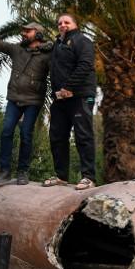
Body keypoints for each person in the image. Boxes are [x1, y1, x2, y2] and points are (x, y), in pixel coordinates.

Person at [0, 13, 53, 185]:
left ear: (38, 34)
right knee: (6, 131)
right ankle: (4, 171)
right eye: (23, 31)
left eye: (28, 31)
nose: (23, 34)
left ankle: (22, 172)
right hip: (14, 99)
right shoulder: (17, 50)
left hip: (33, 101)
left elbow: (59, 70)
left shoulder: (48, 54)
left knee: (26, 134)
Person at [43, 13, 97, 190]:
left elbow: (85, 65)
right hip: (60, 99)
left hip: (79, 96)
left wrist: (69, 87)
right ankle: (61, 176)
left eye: (67, 22)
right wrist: (57, 92)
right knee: (57, 136)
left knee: (83, 136)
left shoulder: (82, 41)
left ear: (75, 24)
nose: (62, 25)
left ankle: (88, 177)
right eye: (59, 23)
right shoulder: (57, 45)